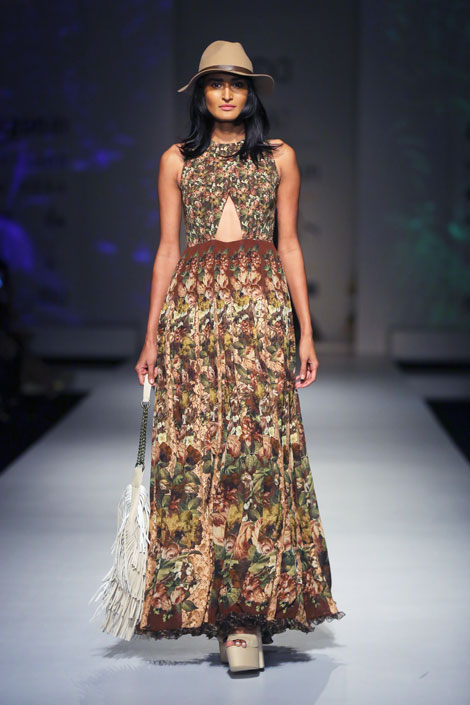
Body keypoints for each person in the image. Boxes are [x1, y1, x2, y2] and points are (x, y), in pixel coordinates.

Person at [134, 40, 345, 672]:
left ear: (251, 93)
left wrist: (306, 331)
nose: (227, 93)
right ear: (201, 93)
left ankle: (249, 611)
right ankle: (213, 604)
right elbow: (168, 249)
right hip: (193, 318)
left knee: (257, 453)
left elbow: (290, 245)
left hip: (260, 314)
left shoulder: (279, 157)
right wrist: (151, 335)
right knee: (198, 449)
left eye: (238, 83)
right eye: (215, 83)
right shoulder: (177, 160)